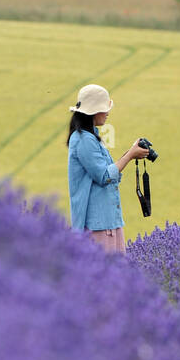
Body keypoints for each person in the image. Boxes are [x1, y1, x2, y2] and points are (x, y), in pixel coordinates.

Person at [66, 84, 149, 254]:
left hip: (109, 221)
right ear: (93, 112)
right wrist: (130, 156)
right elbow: (104, 176)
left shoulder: (91, 137)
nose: (108, 112)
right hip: (99, 225)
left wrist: (131, 152)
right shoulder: (84, 140)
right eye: (104, 108)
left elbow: (109, 172)